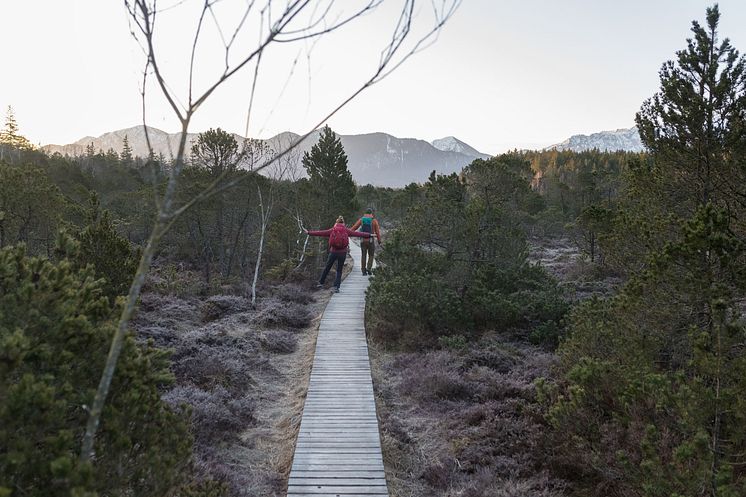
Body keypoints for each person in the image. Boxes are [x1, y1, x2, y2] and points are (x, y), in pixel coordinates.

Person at [306, 216, 372, 292]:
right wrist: (369, 235)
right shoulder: (346, 230)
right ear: (343, 223)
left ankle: (321, 283)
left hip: (333, 252)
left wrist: (309, 232)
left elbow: (320, 232)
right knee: (339, 270)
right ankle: (336, 287)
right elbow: (358, 234)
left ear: (336, 222)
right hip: (342, 253)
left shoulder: (333, 230)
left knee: (327, 267)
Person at [350, 208, 382, 276]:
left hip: (362, 240)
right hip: (371, 241)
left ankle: (363, 271)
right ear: (371, 214)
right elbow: (377, 232)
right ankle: (369, 268)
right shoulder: (374, 221)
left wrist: (348, 233)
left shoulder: (361, 220)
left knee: (363, 255)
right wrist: (379, 241)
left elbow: (354, 228)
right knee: (371, 255)